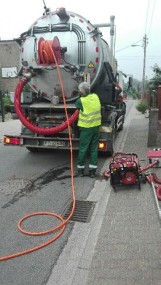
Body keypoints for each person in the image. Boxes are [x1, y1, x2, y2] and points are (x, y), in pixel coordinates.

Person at [75, 82, 101, 178]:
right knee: (94, 149)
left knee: (83, 149)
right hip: (96, 127)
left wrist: (79, 95)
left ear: (81, 91)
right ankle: (92, 172)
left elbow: (77, 106)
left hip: (86, 128)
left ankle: (81, 171)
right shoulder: (95, 96)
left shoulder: (80, 101)